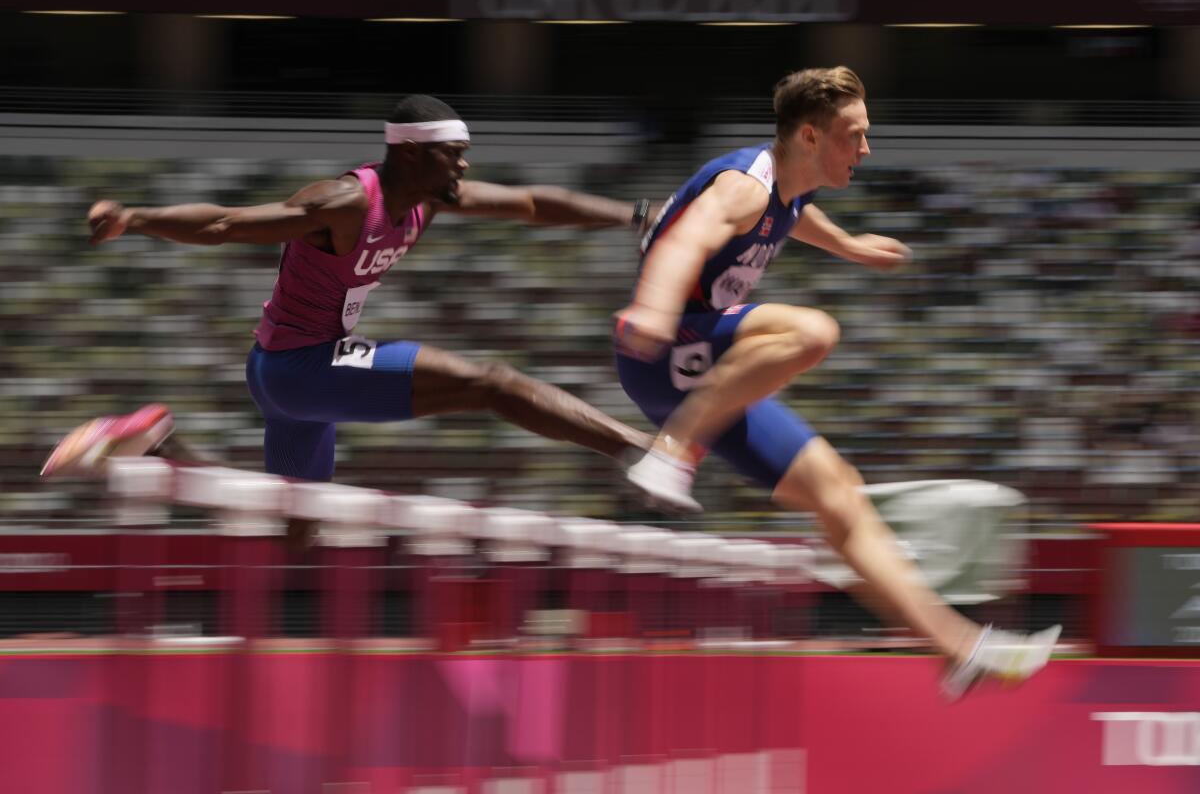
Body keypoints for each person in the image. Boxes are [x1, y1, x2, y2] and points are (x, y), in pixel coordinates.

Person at [613, 66, 1060, 699]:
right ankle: (671, 453)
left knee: (840, 494)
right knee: (810, 332)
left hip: (696, 368)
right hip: (663, 350)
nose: (867, 149)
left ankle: (958, 647)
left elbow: (795, 217)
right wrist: (654, 312)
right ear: (809, 137)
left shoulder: (787, 190)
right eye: (855, 135)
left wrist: (850, 247)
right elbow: (681, 241)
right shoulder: (744, 185)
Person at [42, 94, 655, 489]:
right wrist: (135, 217)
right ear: (412, 151)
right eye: (455, 155)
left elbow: (531, 204)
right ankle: (639, 450)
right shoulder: (343, 202)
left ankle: (158, 442)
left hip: (296, 371)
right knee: (491, 383)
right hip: (299, 367)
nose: (465, 168)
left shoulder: (431, 199)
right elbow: (228, 224)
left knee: (295, 527)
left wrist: (636, 215)